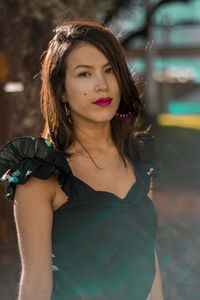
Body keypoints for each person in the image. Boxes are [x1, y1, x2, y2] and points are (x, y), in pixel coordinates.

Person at [0, 20, 164, 300]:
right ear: (62, 90)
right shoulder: (41, 175)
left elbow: (150, 261)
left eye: (110, 70)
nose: (102, 85)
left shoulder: (138, 157)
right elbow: (36, 286)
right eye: (85, 74)